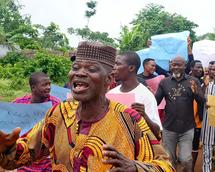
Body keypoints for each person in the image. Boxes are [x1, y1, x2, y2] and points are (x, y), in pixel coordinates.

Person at [0, 41, 174, 172]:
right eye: (76, 67)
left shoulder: (129, 119)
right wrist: (6, 149)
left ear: (108, 80)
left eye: (91, 69)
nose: (80, 73)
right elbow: (24, 154)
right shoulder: (59, 113)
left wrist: (135, 167)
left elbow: (165, 166)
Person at [155, 56, 205, 171]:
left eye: (179, 65)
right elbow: (156, 101)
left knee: (186, 159)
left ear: (185, 66)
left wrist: (196, 93)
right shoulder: (164, 82)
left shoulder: (193, 81)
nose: (176, 67)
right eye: (173, 65)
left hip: (187, 128)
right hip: (169, 128)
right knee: (169, 159)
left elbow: (202, 101)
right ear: (170, 66)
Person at [12, 72, 60, 172]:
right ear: (33, 87)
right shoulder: (19, 104)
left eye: (49, 84)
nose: (48, 87)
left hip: (48, 161)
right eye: (44, 85)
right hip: (25, 159)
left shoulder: (56, 105)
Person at [108, 51, 162, 139]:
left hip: (136, 150)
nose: (113, 68)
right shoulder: (111, 94)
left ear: (131, 68)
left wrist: (143, 116)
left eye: (117, 64)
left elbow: (158, 134)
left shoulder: (146, 95)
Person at [189, 60, 204, 169]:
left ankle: (191, 168)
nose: (200, 69)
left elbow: (202, 99)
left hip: (197, 121)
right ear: (191, 68)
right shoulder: (185, 80)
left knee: (194, 147)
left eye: (201, 67)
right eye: (197, 67)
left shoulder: (203, 82)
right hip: (185, 120)